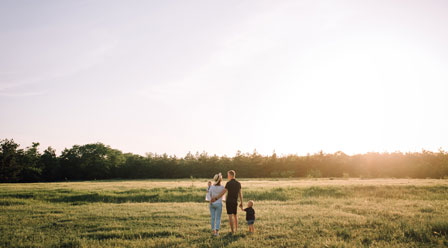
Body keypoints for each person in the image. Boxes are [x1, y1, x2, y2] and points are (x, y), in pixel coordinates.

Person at [211, 170, 242, 234]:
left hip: (229, 201)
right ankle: (236, 229)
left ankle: (232, 231)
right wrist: (241, 202)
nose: (227, 176)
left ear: (230, 175)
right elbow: (240, 194)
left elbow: (223, 192)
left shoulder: (228, 183)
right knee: (235, 215)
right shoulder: (238, 183)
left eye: (228, 175)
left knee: (230, 216)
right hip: (235, 201)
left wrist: (216, 198)